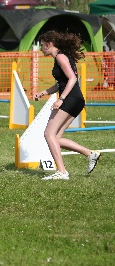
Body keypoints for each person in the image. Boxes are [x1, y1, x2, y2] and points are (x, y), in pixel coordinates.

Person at [33, 30, 100, 180]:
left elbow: (72, 79)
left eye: (42, 45)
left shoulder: (60, 57)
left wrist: (61, 99)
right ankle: (91, 154)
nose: (41, 49)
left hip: (70, 99)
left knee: (48, 134)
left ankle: (62, 172)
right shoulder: (61, 56)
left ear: (49, 45)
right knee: (55, 138)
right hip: (76, 99)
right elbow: (61, 83)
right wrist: (43, 92)